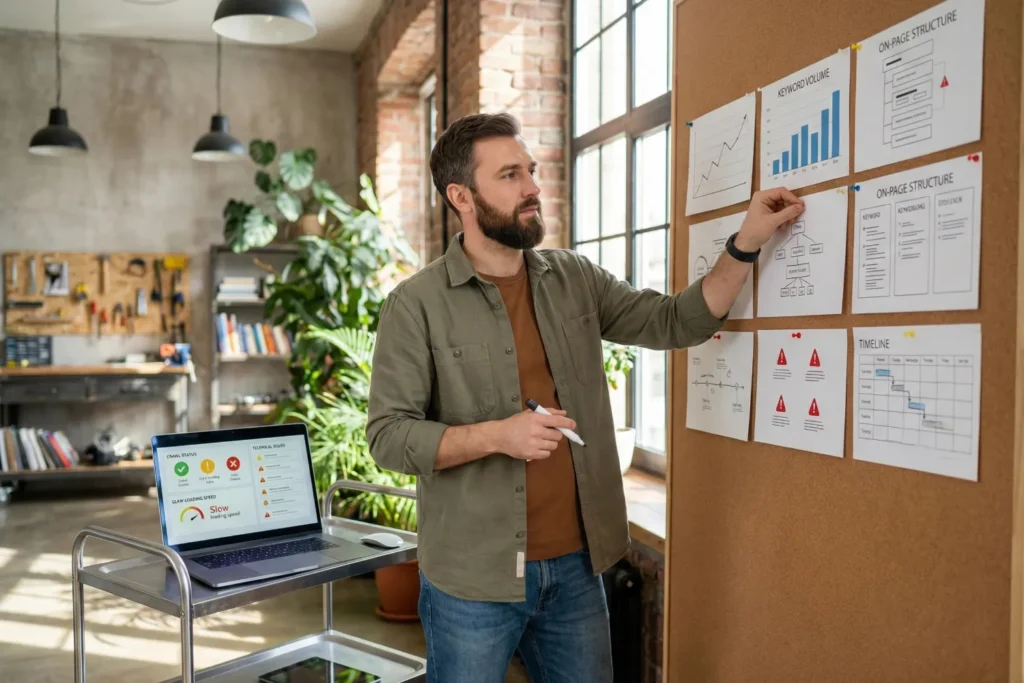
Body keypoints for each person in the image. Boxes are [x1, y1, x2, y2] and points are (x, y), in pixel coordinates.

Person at [366, 112, 804, 682]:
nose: (531, 187)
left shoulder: (574, 278)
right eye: (509, 175)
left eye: (530, 170)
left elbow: (677, 322)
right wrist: (500, 435)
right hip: (471, 581)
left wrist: (747, 241)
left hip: (577, 570)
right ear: (461, 196)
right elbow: (388, 437)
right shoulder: (415, 305)